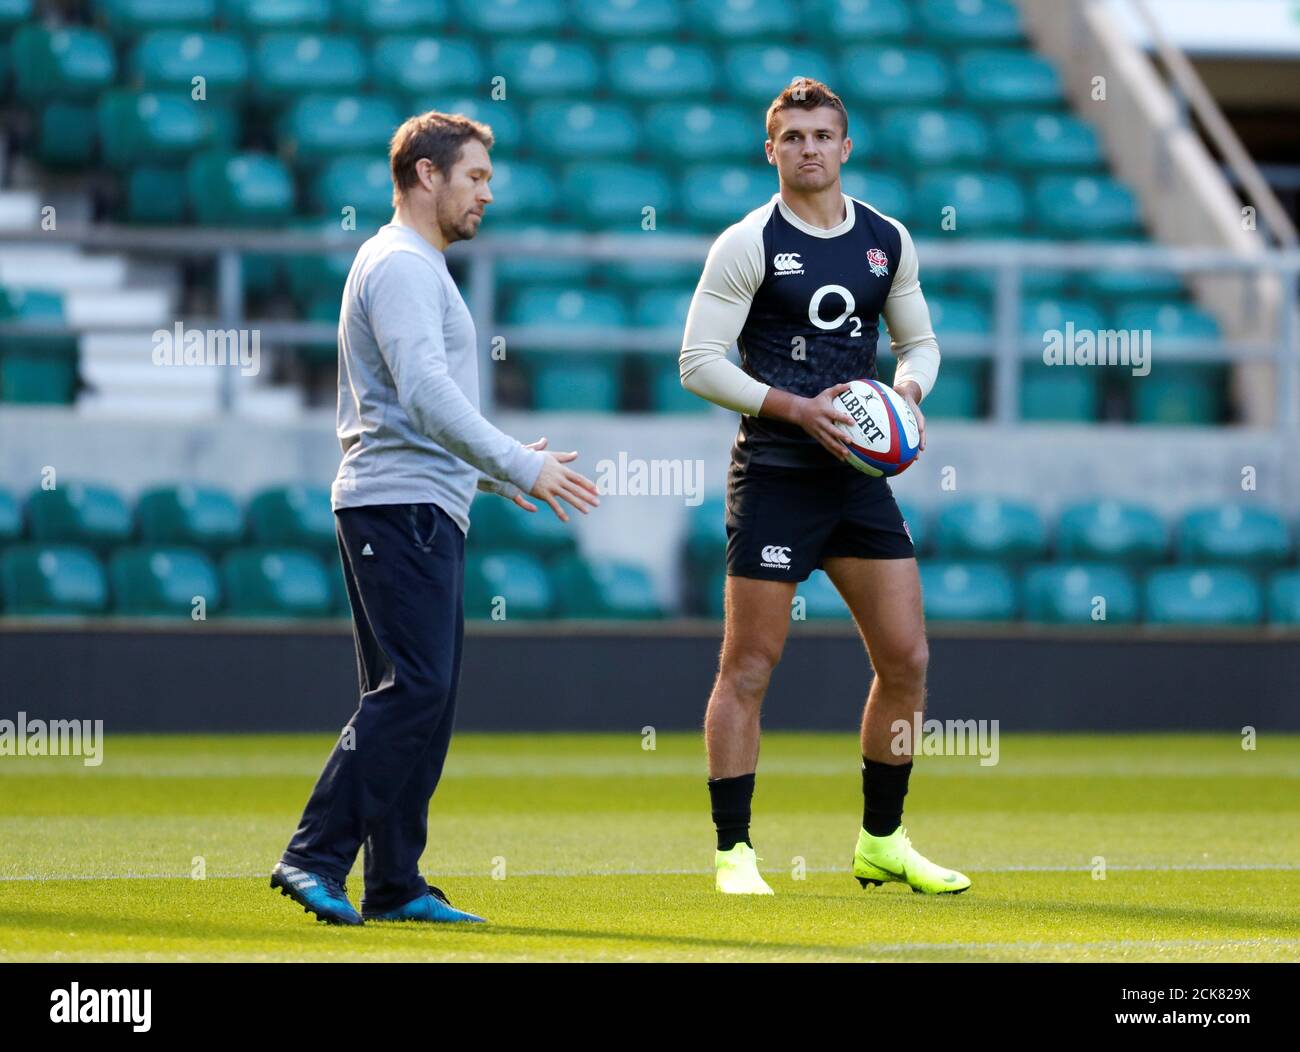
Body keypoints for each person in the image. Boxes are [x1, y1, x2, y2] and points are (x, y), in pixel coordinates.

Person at [271, 111, 599, 925]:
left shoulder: (410, 266)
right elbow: (423, 393)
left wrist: (486, 476)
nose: (488, 192)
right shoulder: (404, 265)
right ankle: (314, 855)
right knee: (414, 690)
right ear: (427, 175)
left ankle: (395, 884)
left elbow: (405, 406)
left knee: (424, 696)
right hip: (400, 507)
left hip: (414, 501)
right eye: (476, 176)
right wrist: (518, 462)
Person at [679, 80, 970, 896]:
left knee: (907, 658)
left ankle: (883, 840)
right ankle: (734, 854)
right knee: (749, 666)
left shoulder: (886, 239)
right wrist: (797, 409)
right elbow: (698, 362)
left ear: (847, 147)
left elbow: (920, 345)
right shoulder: (749, 242)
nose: (809, 148)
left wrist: (905, 395)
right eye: (793, 136)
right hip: (774, 474)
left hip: (856, 480)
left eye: (822, 135)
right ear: (769, 150)